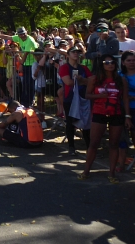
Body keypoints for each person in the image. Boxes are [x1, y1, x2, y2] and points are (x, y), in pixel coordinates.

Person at [79, 54, 132, 182]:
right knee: (94, 143)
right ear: (102, 64)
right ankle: (86, 171)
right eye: (106, 62)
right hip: (99, 113)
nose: (110, 64)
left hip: (116, 114)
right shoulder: (95, 79)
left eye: (112, 62)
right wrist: (100, 96)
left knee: (114, 144)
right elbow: (87, 95)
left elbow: (125, 99)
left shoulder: (121, 80)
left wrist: (127, 116)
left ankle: (112, 173)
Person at [58, 45, 92, 155]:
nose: (76, 54)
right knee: (70, 123)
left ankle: (89, 148)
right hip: (70, 99)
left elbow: (91, 81)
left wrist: (81, 80)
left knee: (87, 123)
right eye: (73, 52)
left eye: (77, 52)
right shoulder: (64, 67)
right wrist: (83, 81)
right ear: (67, 55)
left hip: (83, 98)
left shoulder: (84, 68)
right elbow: (68, 82)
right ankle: (71, 147)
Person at [0, 27, 37, 107]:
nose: (22, 35)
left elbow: (26, 54)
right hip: (26, 64)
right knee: (25, 84)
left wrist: (21, 65)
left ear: (27, 32)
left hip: (32, 64)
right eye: (20, 34)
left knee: (30, 84)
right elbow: (7, 37)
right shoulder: (18, 38)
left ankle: (30, 102)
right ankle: (24, 103)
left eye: (23, 33)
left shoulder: (30, 40)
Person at [117, 50, 135, 172]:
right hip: (121, 109)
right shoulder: (119, 75)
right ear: (123, 62)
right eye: (128, 60)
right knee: (121, 138)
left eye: (134, 60)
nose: (132, 63)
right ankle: (121, 164)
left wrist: (129, 96)